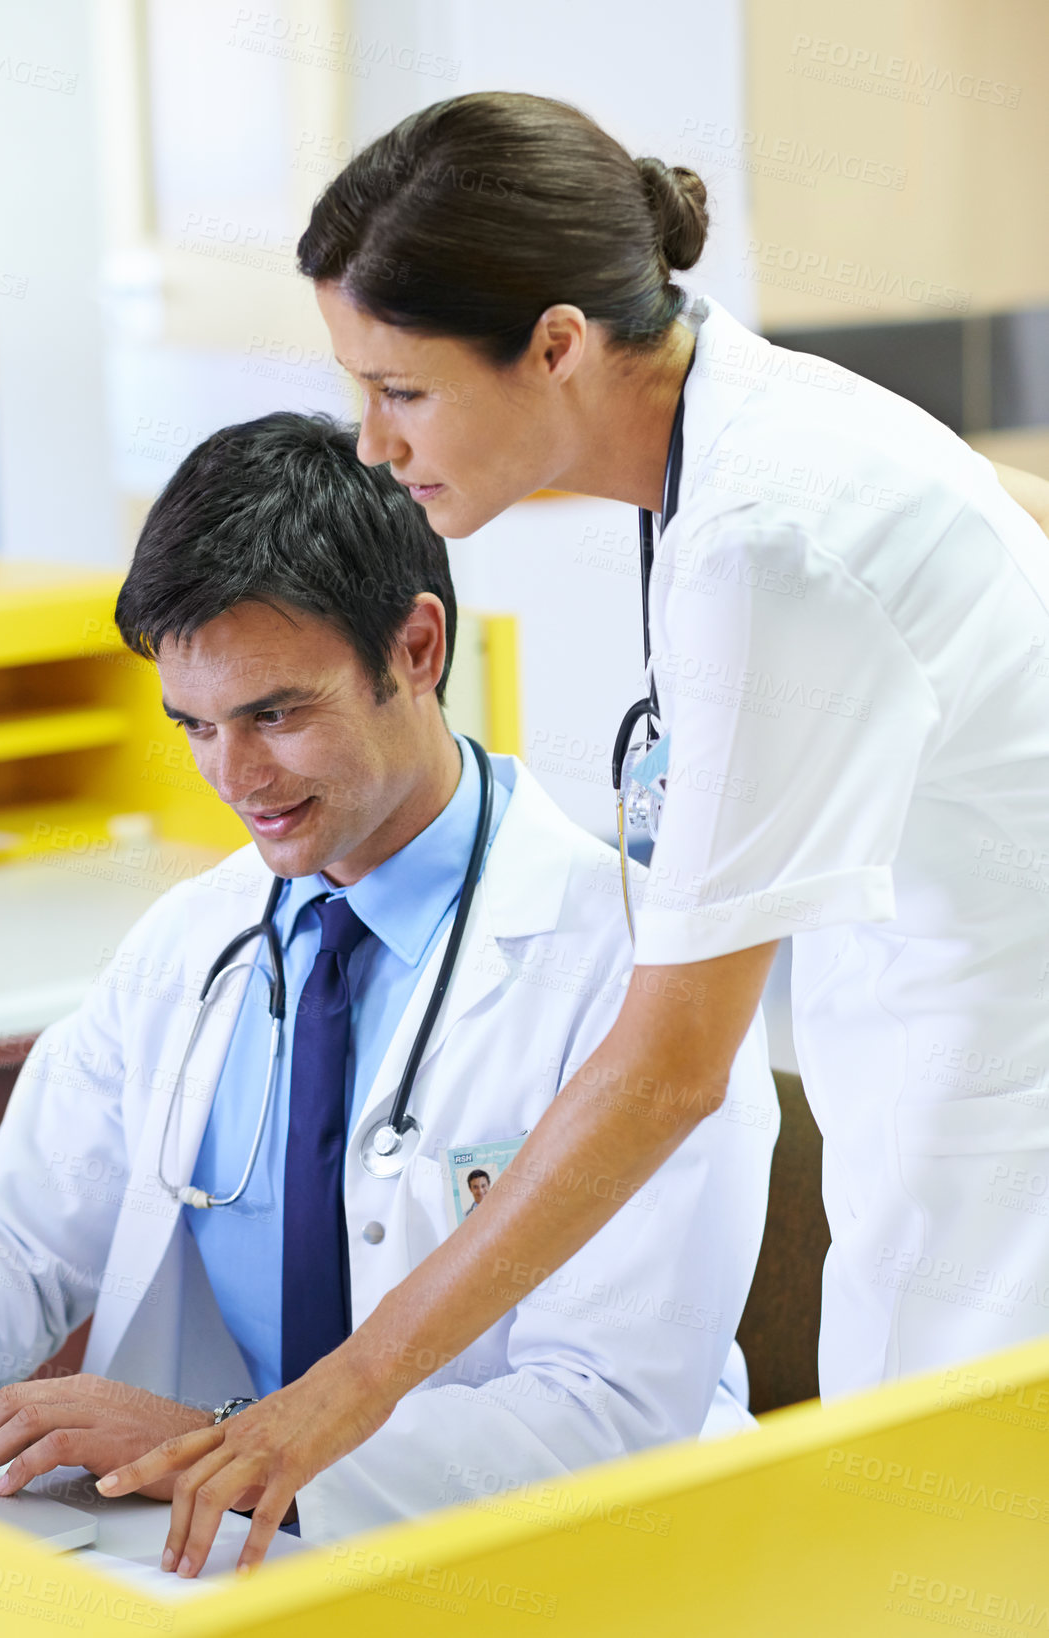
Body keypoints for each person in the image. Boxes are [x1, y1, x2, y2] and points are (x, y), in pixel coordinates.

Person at [100, 90, 1049, 1573]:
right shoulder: (740, 437)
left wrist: (331, 1402)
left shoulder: (761, 528)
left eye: (401, 390)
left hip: (1008, 1155)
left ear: (556, 345)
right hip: (938, 1093)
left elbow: (670, 1067)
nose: (374, 443)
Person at [0, 412, 777, 1551]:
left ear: (417, 650)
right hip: (239, 1553)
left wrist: (213, 1442)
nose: (238, 777)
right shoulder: (191, 940)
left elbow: (607, 1414)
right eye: (195, 727)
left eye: (275, 714)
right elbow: (25, 1229)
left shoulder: (633, 973)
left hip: (567, 1567)